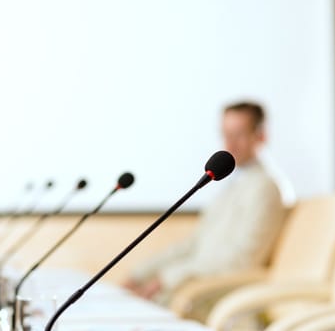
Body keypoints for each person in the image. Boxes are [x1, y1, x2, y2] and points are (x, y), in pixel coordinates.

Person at [123, 101, 286, 306]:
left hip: (214, 296)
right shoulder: (231, 186)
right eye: (226, 135)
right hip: (191, 288)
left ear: (261, 136)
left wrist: (168, 279)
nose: (230, 144)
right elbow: (193, 245)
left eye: (239, 134)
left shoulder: (264, 189)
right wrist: (139, 274)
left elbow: (243, 260)